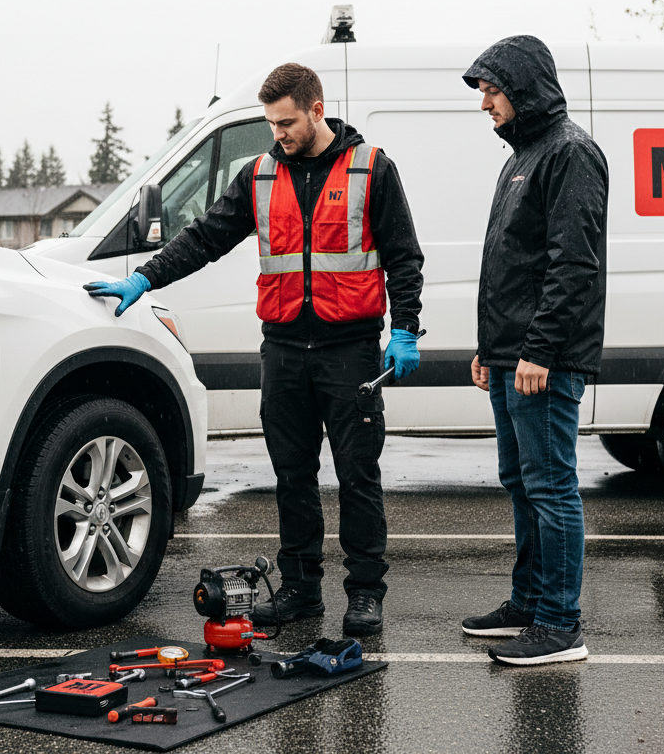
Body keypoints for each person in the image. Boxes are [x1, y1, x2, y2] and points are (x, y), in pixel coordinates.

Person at [84, 63, 424, 637]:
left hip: (351, 351)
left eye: (286, 122)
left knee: (357, 477)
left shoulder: (372, 168)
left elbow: (403, 254)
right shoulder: (261, 175)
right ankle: (300, 590)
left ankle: (365, 594)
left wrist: (408, 327)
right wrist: (146, 277)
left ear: (317, 110)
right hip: (286, 349)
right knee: (292, 476)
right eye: (271, 123)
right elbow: (204, 238)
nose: (278, 133)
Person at [457, 36, 608, 665]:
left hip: (542, 359)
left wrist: (538, 351)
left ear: (521, 88)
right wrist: (488, 348)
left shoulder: (571, 153)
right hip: (509, 356)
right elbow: (511, 263)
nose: (484, 103)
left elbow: (572, 265)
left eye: (491, 90)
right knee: (522, 483)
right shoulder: (524, 154)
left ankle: (559, 623)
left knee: (551, 488)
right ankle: (527, 603)